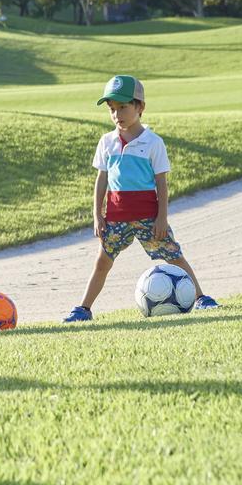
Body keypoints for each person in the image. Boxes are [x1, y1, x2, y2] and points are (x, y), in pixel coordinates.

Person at [63, 75, 218, 322]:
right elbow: (101, 180)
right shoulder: (107, 142)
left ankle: (201, 298)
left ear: (140, 107)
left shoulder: (153, 142)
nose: (117, 114)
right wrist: (97, 215)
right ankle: (83, 309)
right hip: (115, 219)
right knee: (102, 262)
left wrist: (162, 218)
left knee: (174, 256)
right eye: (112, 109)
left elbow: (161, 184)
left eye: (123, 107)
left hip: (149, 218)